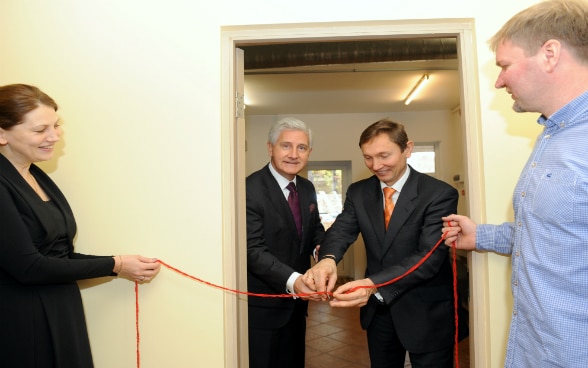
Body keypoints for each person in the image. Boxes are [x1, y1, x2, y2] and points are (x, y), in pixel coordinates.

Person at [442, 1, 588, 367]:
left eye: (505, 65)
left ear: (550, 54)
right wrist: (483, 236)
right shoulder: (551, 137)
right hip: (531, 348)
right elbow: (555, 234)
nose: (499, 80)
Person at [0, 84, 161, 368]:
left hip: (61, 308)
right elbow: (29, 267)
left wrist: (122, 264)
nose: (54, 137)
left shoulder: (35, 174)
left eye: (56, 125)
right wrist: (115, 264)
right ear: (2, 134)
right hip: (22, 319)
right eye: (40, 130)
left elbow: (59, 255)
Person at [303, 119, 458, 368]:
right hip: (379, 312)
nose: (376, 165)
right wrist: (327, 260)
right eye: (368, 157)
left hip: (425, 311)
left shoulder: (439, 194)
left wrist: (372, 284)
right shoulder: (358, 192)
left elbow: (428, 257)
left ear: (407, 149)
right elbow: (342, 230)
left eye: (384, 155)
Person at [246, 117, 325, 368]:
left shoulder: (307, 187)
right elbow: (252, 249)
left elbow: (314, 230)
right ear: (270, 148)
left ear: (309, 152)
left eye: (301, 148)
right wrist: (295, 281)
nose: (294, 154)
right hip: (263, 310)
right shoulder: (249, 189)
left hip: (297, 309)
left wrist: (322, 251)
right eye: (286, 146)